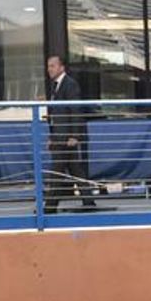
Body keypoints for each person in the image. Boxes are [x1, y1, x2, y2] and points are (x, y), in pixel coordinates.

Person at [44, 55, 97, 213]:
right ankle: (88, 200)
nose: (49, 69)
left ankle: (50, 207)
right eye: (48, 66)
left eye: (52, 66)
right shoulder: (55, 87)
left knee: (56, 172)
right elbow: (55, 115)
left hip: (67, 138)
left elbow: (76, 112)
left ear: (62, 67)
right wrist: (51, 137)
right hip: (59, 138)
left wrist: (75, 136)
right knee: (75, 169)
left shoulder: (70, 85)